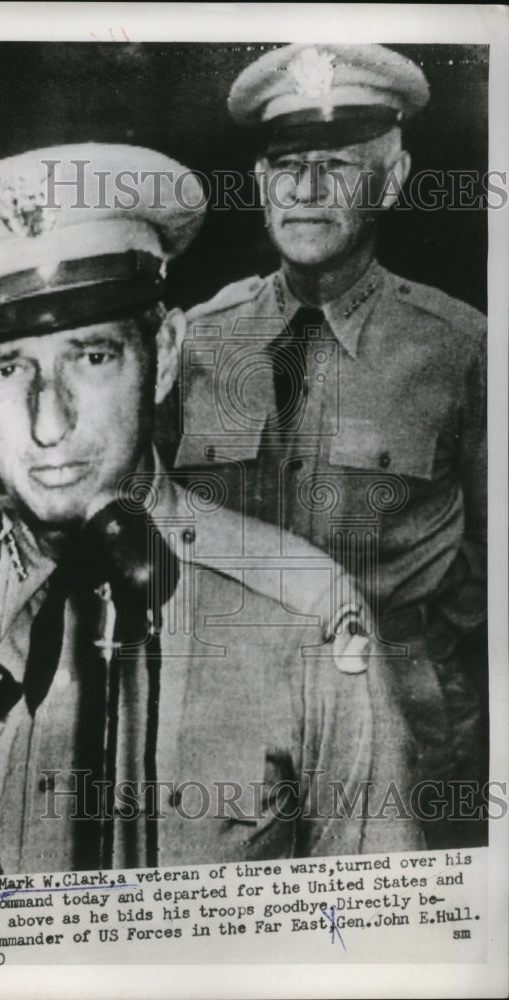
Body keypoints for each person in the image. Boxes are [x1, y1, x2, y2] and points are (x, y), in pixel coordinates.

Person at [0, 144, 423, 882]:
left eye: (91, 357)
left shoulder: (302, 613)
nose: (48, 423)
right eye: (7, 368)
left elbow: (379, 924)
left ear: (164, 352)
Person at [173, 44, 487, 847]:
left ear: (391, 179)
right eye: (286, 166)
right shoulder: (198, 342)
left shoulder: (460, 349)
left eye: (338, 167)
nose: (306, 191)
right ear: (258, 183)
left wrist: (424, 659)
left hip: (404, 721)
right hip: (229, 719)